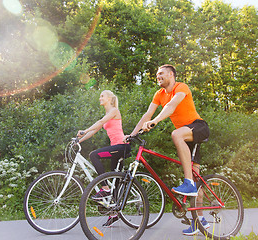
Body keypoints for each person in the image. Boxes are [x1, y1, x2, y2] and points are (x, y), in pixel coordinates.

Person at [125, 64, 210, 235]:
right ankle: (200, 221)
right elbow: (146, 115)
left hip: (197, 127)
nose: (158, 76)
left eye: (161, 73)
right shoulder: (159, 94)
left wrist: (155, 122)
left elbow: (171, 106)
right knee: (195, 177)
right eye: (157, 74)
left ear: (171, 74)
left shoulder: (181, 87)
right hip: (186, 135)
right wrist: (132, 134)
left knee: (176, 135)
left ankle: (188, 183)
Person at [77, 90, 130, 227]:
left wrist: (84, 130)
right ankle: (114, 213)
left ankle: (104, 188)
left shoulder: (114, 111)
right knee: (116, 180)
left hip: (121, 147)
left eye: (102, 96)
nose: (100, 98)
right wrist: (79, 140)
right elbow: (95, 130)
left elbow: (100, 122)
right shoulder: (107, 114)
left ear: (109, 98)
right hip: (115, 149)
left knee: (94, 155)